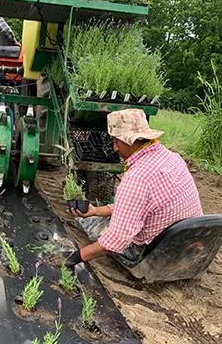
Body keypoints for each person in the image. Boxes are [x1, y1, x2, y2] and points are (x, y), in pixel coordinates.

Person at [63, 108, 203, 266]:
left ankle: (132, 251)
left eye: (116, 141)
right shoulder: (171, 157)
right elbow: (136, 205)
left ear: (132, 139)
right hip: (192, 243)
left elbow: (117, 239)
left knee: (88, 223)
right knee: (97, 216)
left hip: (157, 254)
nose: (115, 149)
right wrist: (96, 210)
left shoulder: (137, 177)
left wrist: (76, 257)